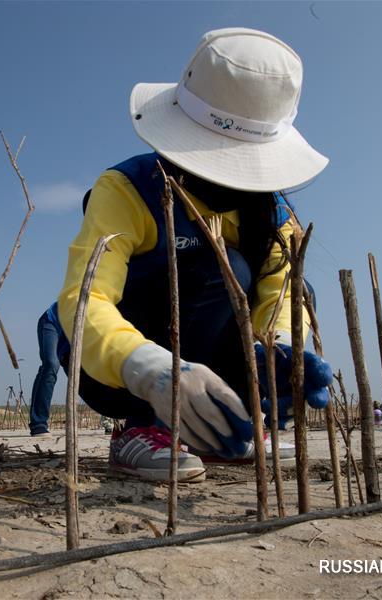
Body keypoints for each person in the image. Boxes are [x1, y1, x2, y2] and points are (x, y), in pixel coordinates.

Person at [55, 28, 333, 482]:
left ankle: (223, 421)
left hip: (212, 349)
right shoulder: (128, 190)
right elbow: (85, 303)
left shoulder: (277, 214)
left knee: (299, 288)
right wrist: (150, 369)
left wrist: (280, 350)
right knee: (220, 269)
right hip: (117, 368)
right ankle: (141, 425)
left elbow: (280, 295)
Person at [28, 302, 70, 437]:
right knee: (51, 364)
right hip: (53, 322)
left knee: (79, 373)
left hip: (73, 332)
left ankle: (110, 421)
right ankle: (38, 423)